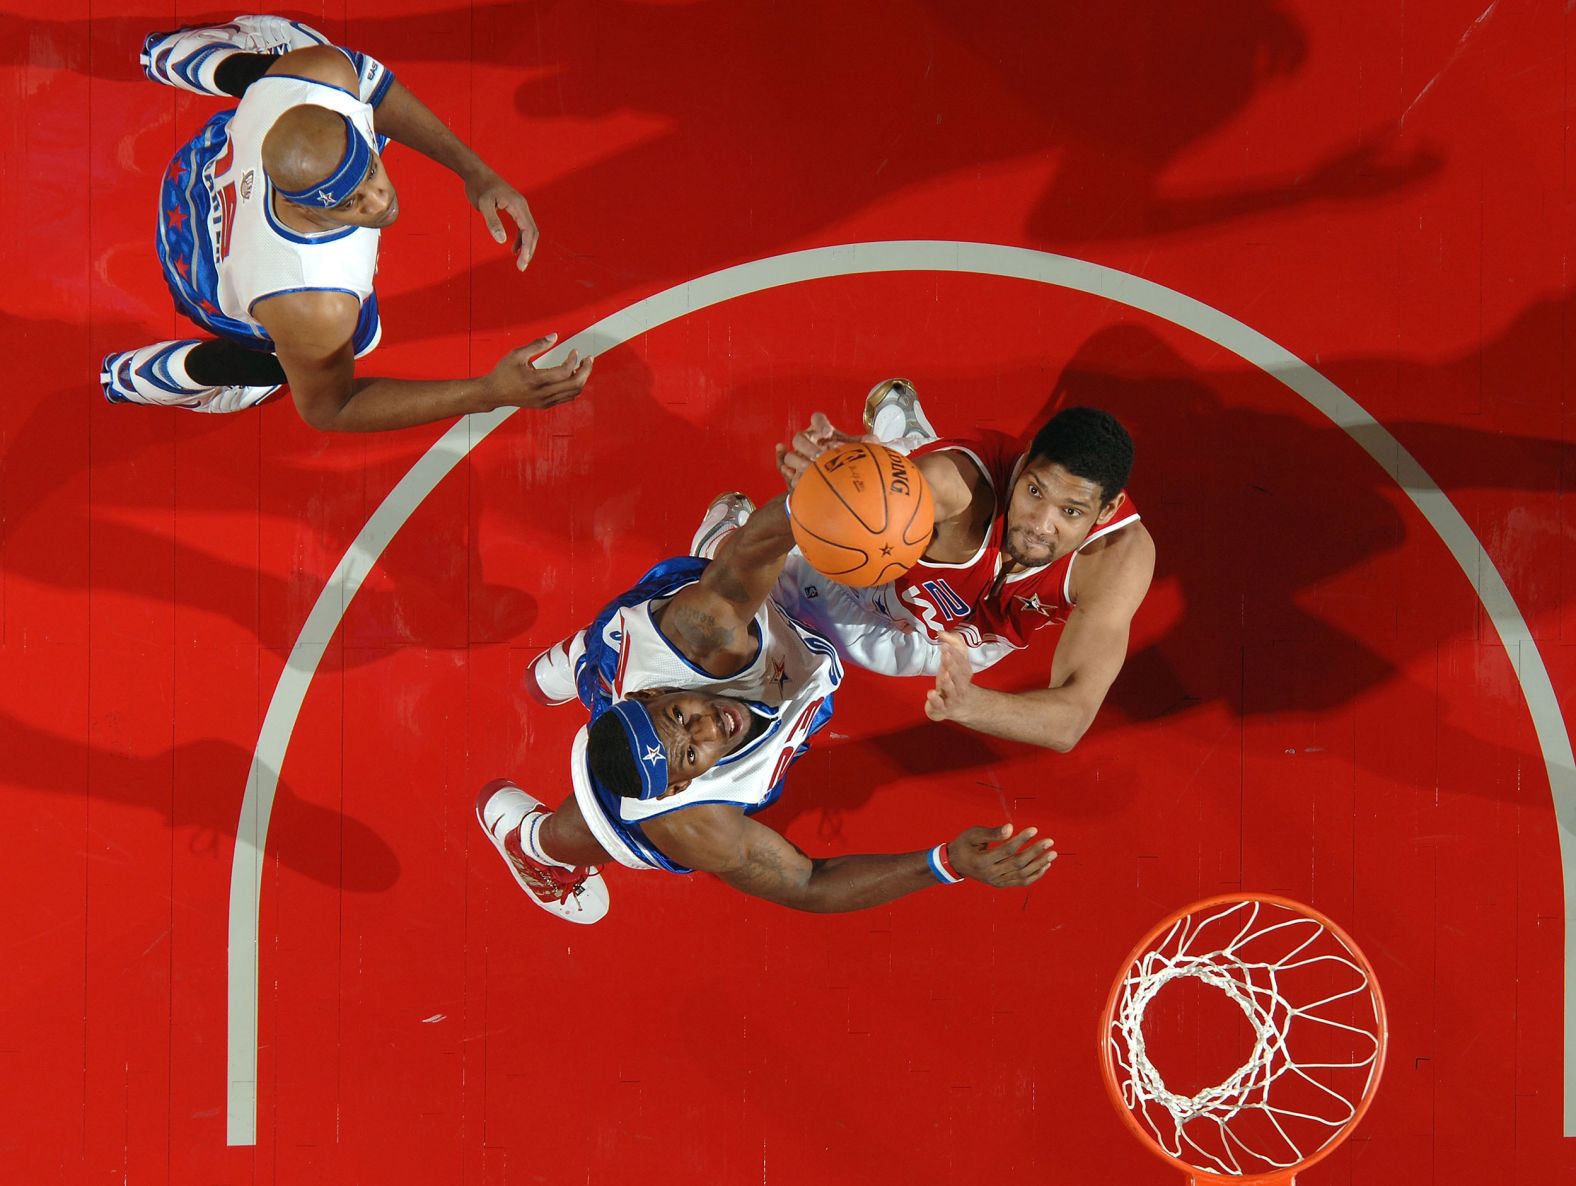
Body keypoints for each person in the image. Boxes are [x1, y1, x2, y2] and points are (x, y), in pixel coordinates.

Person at [477, 493, 1058, 923]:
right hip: (757, 672)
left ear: (653, 695)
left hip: (698, 628)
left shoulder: (704, 629)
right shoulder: (692, 820)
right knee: (623, 823)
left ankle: (594, 655)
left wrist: (828, 493)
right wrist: (947, 862)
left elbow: (765, 538)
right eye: (689, 752)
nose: (705, 726)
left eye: (678, 716)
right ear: (679, 786)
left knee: (734, 568)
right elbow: (807, 883)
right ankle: (538, 848)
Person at [101, 15, 592, 429]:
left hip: (198, 177)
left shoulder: (322, 78)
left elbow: (370, 89)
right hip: (202, 279)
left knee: (319, 64)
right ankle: (160, 377)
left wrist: (476, 171)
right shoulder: (315, 300)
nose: (379, 198)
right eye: (353, 201)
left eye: (371, 170)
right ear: (306, 209)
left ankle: (180, 57)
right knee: (327, 353)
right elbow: (330, 408)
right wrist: (487, 392)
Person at [775, 382, 1155, 752]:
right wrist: (840, 481)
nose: (1040, 525)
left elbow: (1071, 719)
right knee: (765, 589)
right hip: (870, 596)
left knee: (908, 496)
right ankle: (724, 534)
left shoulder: (1117, 558)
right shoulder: (960, 488)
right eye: (1034, 491)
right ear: (1024, 461)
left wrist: (966, 703)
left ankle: (906, 443)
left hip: (960, 645)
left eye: (1070, 512)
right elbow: (896, 493)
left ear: (1107, 510)